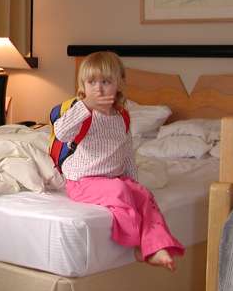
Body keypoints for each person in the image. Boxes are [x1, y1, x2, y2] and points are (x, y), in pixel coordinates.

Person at [53, 51, 183, 271]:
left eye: (106, 82)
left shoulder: (122, 116)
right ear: (83, 86)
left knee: (143, 195)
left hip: (112, 176)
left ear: (119, 84)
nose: (98, 88)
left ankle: (156, 246)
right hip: (82, 181)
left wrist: (134, 182)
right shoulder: (83, 112)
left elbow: (127, 153)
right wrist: (85, 106)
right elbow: (61, 133)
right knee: (119, 191)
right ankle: (138, 242)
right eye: (91, 82)